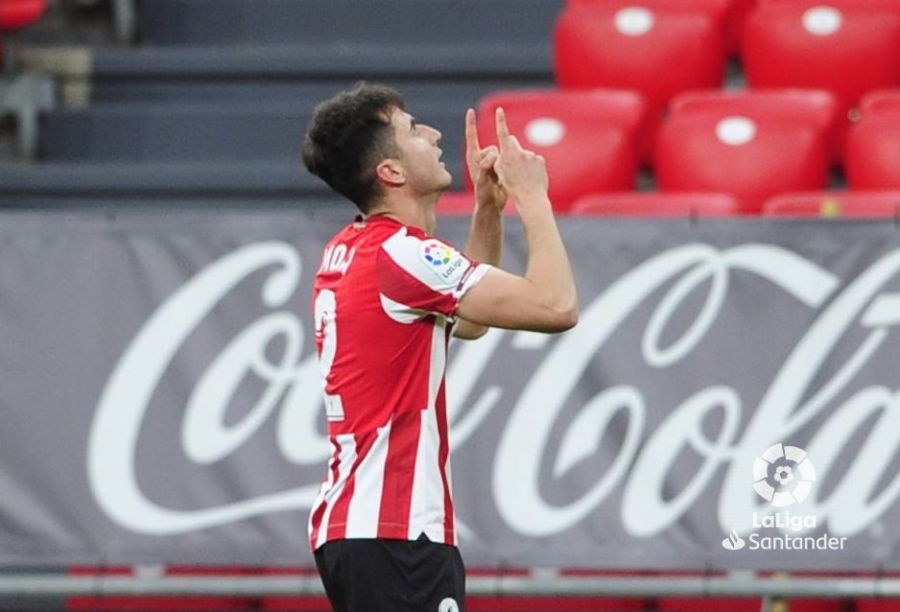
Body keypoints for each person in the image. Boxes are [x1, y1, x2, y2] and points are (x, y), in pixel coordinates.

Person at [301, 82, 578, 612]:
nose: (432, 133)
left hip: (359, 530)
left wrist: (489, 208)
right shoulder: (402, 255)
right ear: (392, 172)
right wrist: (533, 195)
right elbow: (555, 305)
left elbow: (470, 324)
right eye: (411, 129)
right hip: (396, 535)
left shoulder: (353, 248)